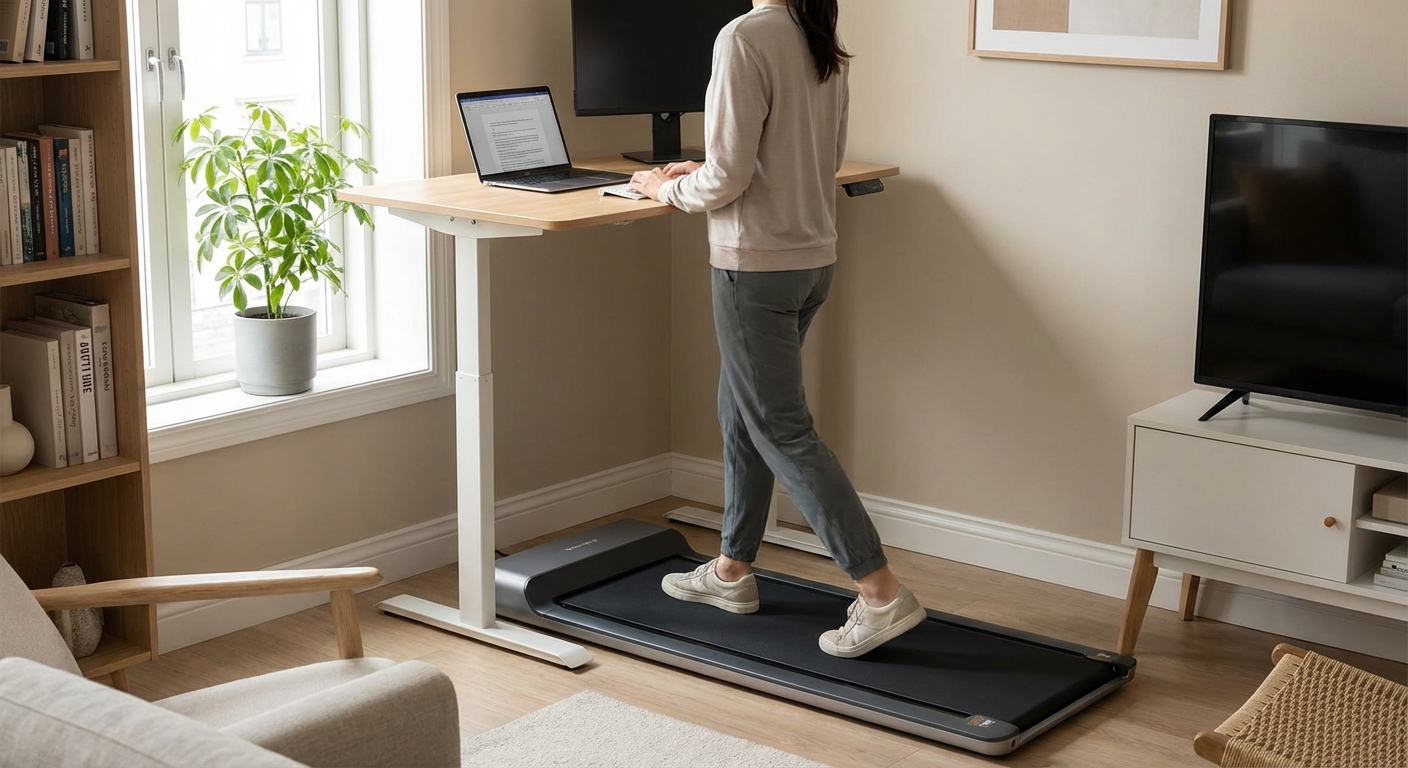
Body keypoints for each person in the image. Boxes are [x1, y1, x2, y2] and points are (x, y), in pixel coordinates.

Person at [628, 0, 924, 659]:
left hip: (754, 267)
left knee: (782, 428)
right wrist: (695, 174)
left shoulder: (744, 35)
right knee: (742, 410)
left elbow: (729, 177)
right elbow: (805, 156)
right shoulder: (818, 34)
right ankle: (732, 571)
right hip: (811, 258)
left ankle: (879, 591)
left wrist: (661, 189)